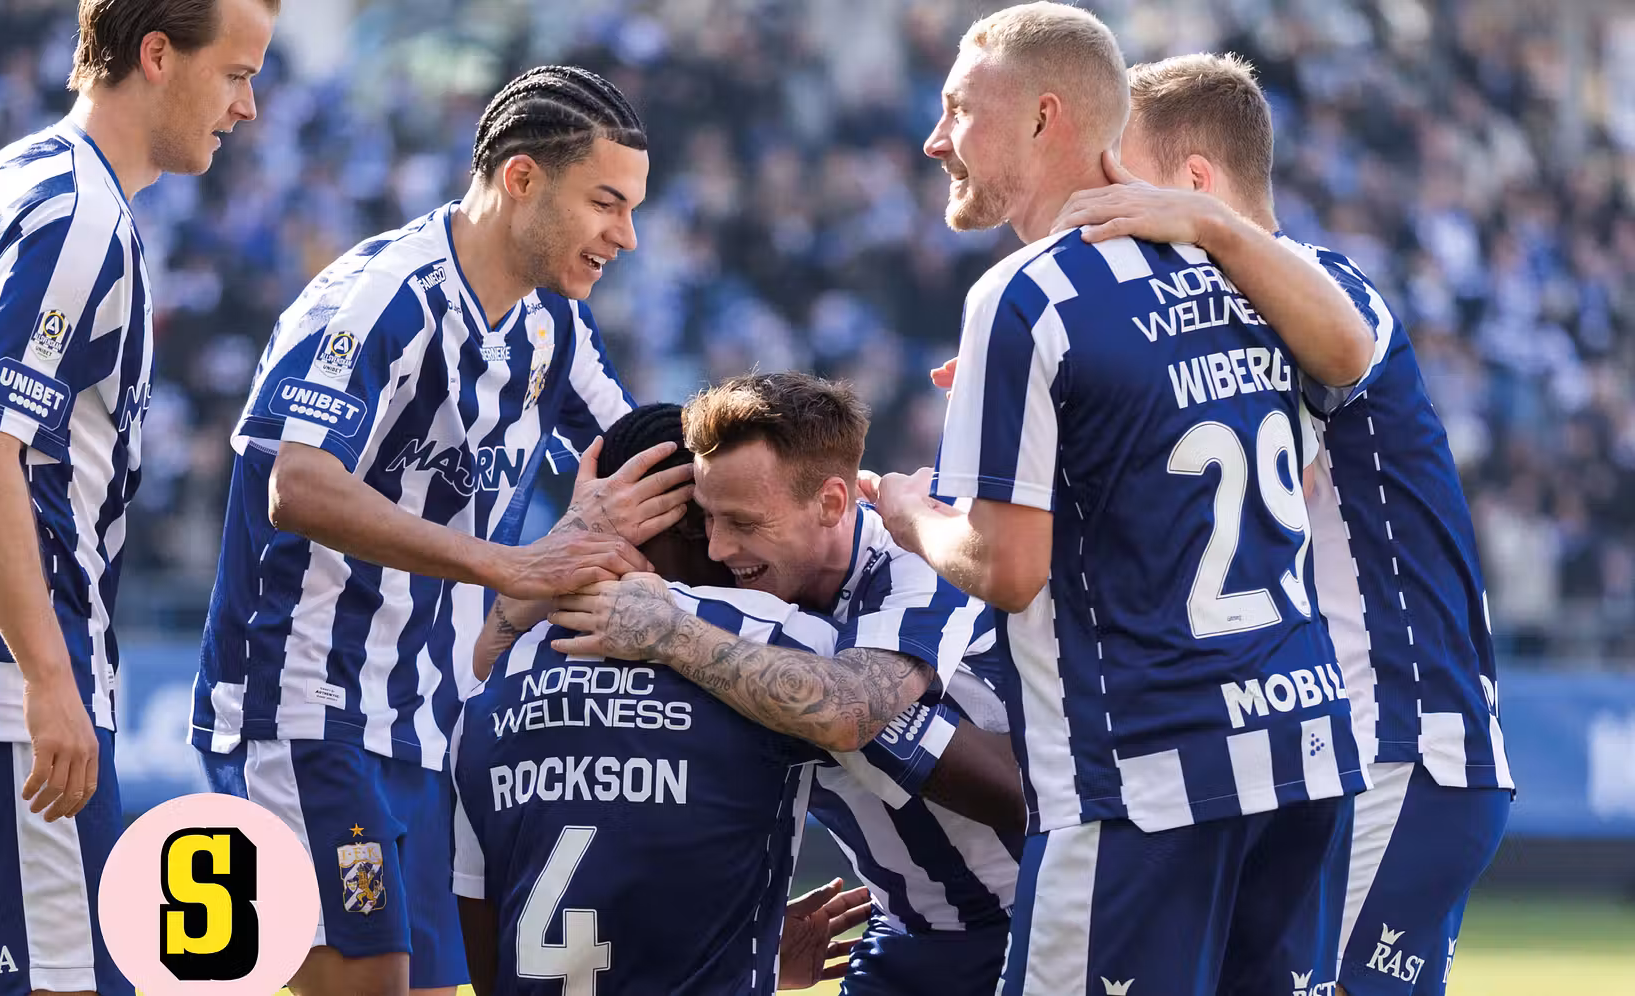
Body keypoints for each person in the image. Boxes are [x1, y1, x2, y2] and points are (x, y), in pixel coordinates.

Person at [866, 6, 1364, 994]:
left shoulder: (1025, 294)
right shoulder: (1240, 268)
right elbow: (1350, 357)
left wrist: (912, 516)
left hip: (1143, 781)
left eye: (959, 109)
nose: (935, 140)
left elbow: (1009, 570)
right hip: (1304, 754)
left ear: (1043, 116)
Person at [190, 65, 692, 996]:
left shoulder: (552, 329)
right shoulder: (383, 297)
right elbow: (298, 485)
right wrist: (512, 566)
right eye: (606, 204)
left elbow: (650, 460)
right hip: (305, 707)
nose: (626, 236)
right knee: (367, 981)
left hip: (431, 726)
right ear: (522, 179)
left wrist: (816, 486)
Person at [1050, 53, 1513, 996]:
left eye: (1123, 178)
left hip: (1402, 741)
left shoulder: (1324, 283)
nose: (1107, 205)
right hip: (1350, 751)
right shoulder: (1215, 326)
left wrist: (1208, 233)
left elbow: (1346, 347)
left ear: (1193, 184)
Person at [0, 1, 277, 994]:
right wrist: (50, 680)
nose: (248, 108)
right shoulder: (80, 218)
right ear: (157, 56)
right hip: (7, 700)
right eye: (235, 74)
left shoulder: (15, 177)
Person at [453, 402, 982, 994]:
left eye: (740, 521)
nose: (722, 548)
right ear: (682, 522)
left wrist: (559, 560)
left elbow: (488, 957)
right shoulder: (776, 634)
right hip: (966, 925)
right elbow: (1007, 794)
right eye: (711, 521)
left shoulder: (490, 694)